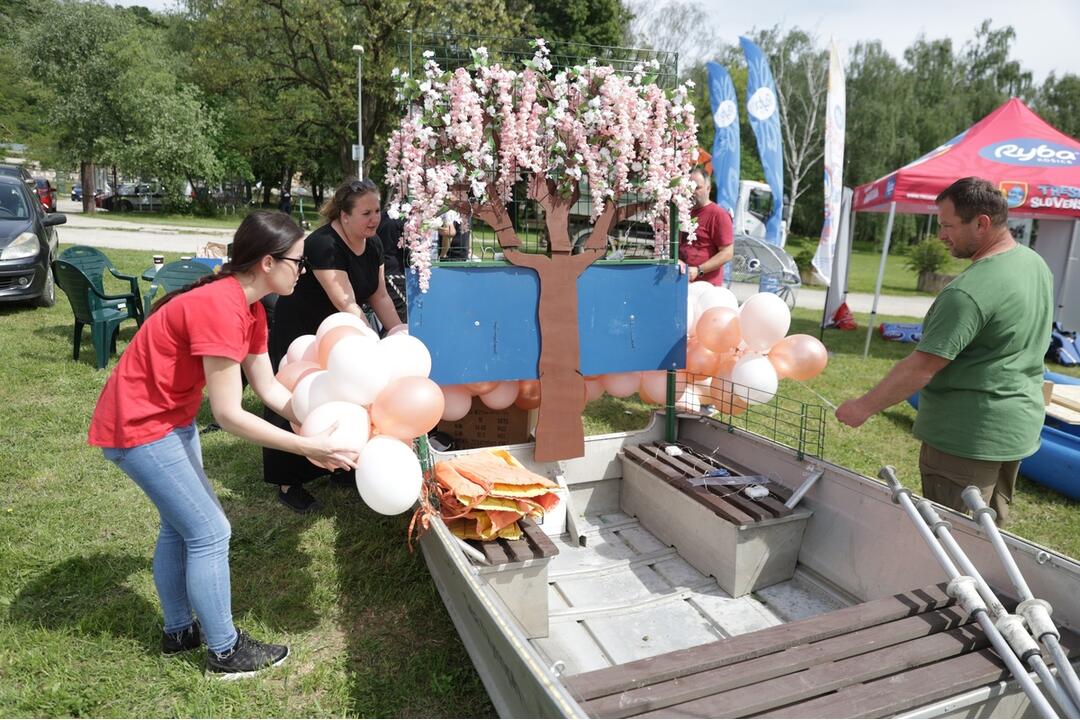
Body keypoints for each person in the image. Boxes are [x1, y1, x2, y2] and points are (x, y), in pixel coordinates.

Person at [88, 211, 360, 677]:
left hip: (168, 422)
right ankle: (224, 652)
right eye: (299, 262)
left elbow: (271, 390)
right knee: (211, 532)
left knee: (180, 528)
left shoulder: (252, 308)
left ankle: (179, 631)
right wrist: (306, 447)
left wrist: (320, 423)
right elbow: (229, 415)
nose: (305, 270)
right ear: (269, 263)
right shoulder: (220, 306)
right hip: (138, 428)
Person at [835, 177, 1053, 525]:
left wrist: (863, 407)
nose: (941, 235)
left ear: (981, 223)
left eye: (948, 225)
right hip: (1014, 428)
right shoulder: (1032, 263)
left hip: (968, 438)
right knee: (991, 532)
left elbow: (921, 367)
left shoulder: (967, 293)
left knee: (956, 536)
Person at [264, 178, 404, 513]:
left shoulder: (372, 244)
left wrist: (398, 330)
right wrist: (371, 338)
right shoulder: (323, 244)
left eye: (378, 210)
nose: (375, 219)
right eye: (366, 212)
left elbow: (379, 294)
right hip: (301, 331)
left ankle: (336, 464)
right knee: (296, 395)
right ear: (343, 215)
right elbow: (348, 303)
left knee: (341, 396)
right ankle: (288, 482)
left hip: (340, 333)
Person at [679, 166, 735, 285]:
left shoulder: (718, 215)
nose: (692, 191)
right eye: (689, 187)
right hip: (681, 282)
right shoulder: (683, 211)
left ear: (708, 188)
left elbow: (727, 253)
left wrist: (699, 269)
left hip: (705, 287)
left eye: (697, 187)